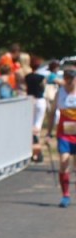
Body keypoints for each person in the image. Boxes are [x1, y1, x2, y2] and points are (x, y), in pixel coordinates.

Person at [53, 67, 76, 208]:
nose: (69, 81)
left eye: (71, 78)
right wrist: (48, 132)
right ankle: (65, 195)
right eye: (66, 78)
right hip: (64, 134)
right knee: (63, 161)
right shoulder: (60, 92)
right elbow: (52, 112)